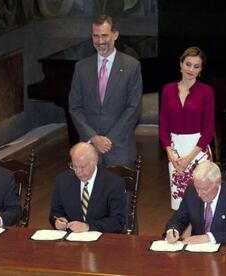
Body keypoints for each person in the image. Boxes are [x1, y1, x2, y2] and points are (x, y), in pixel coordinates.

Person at [68, 15, 143, 167]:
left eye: (104, 36)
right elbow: (75, 107)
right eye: (96, 36)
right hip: (89, 151)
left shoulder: (132, 66)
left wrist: (109, 140)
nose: (100, 41)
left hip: (120, 149)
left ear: (115, 35)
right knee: (88, 192)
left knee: (122, 191)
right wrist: (94, 138)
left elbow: (134, 108)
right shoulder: (81, 68)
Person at [159, 46, 214, 210]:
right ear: (181, 64)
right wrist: (170, 154)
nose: (191, 69)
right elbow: (163, 126)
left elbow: (209, 130)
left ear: (201, 70)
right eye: (188, 64)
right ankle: (184, 236)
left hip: (198, 151)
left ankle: (199, 235)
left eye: (196, 66)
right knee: (181, 205)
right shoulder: (168, 90)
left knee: (202, 202)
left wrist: (189, 158)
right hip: (175, 153)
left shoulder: (207, 92)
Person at [49, 142, 127, 233]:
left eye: (82, 167)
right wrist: (58, 221)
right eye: (74, 166)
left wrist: (88, 227)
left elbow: (118, 221)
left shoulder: (114, 183)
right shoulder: (62, 180)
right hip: (72, 239)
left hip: (102, 238)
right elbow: (55, 212)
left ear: (95, 162)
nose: (78, 172)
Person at [165, 161, 226, 244]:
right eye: (197, 188)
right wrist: (172, 231)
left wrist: (208, 238)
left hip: (225, 251)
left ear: (218, 183)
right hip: (197, 251)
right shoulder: (191, 191)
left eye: (204, 189)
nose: (199, 194)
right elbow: (179, 218)